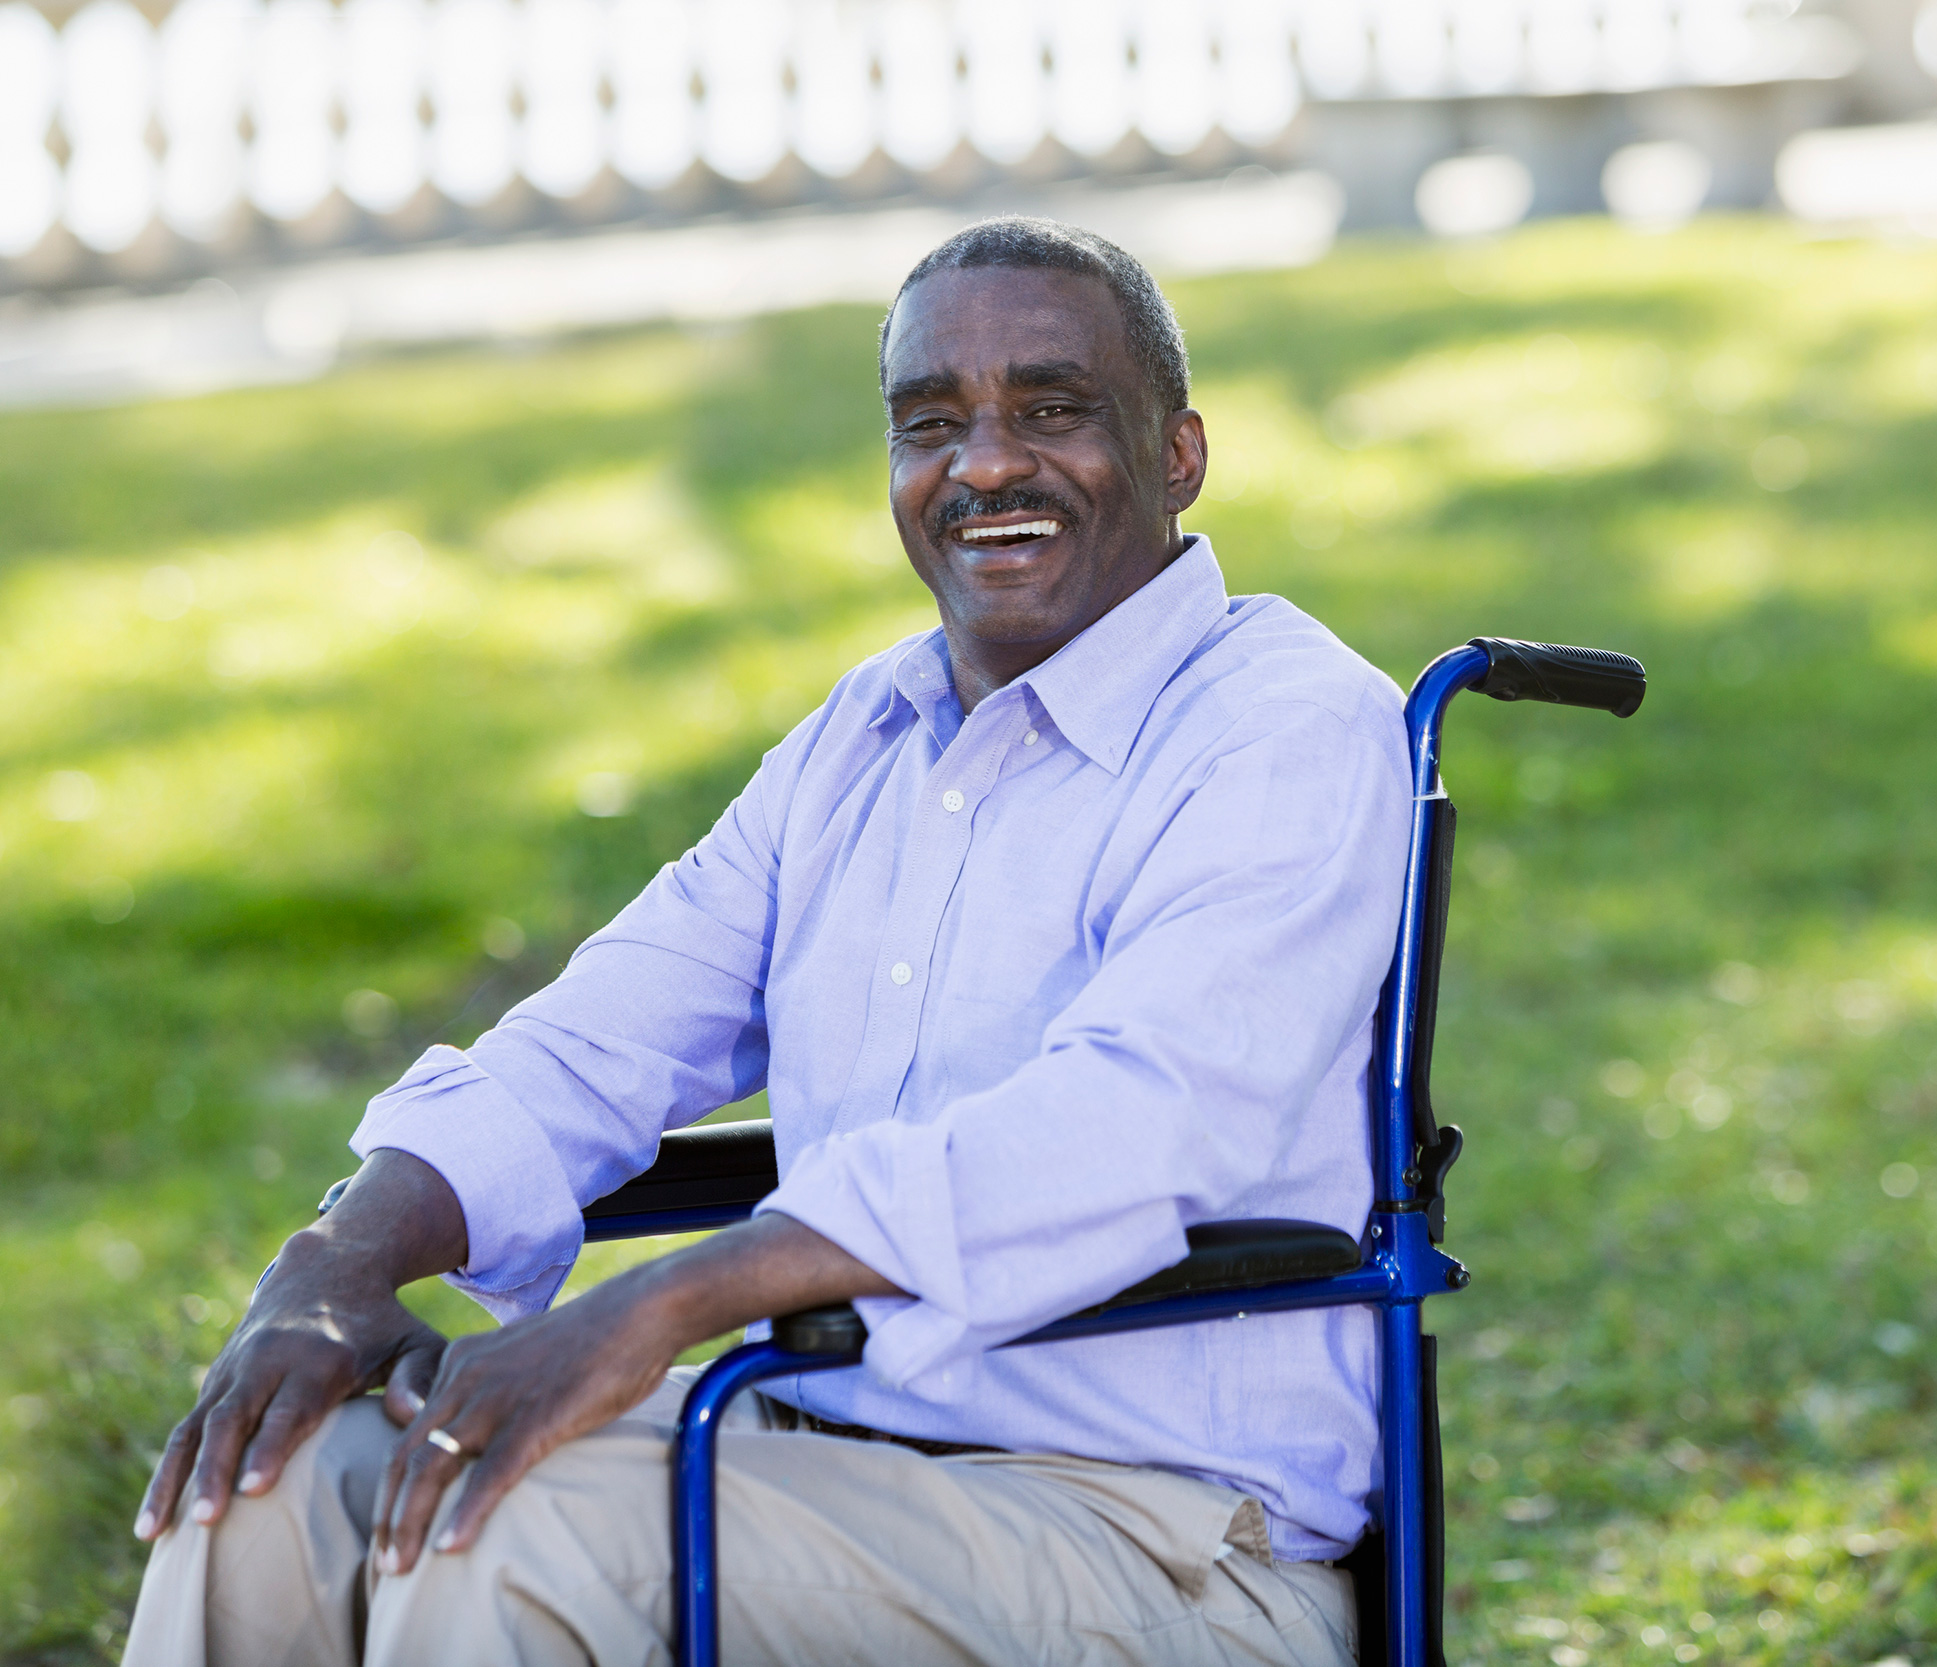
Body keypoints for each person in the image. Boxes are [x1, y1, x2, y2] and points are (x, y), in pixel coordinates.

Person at [120, 218, 1410, 1667]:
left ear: (1178, 454)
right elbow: (597, 1038)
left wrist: (669, 1302)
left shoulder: (1283, 729)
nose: (983, 464)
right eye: (933, 425)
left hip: (1158, 1530)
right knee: (269, 1489)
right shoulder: (871, 732)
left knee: (510, 1532)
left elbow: (1127, 1126)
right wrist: (335, 1261)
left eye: (1051, 409)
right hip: (835, 1450)